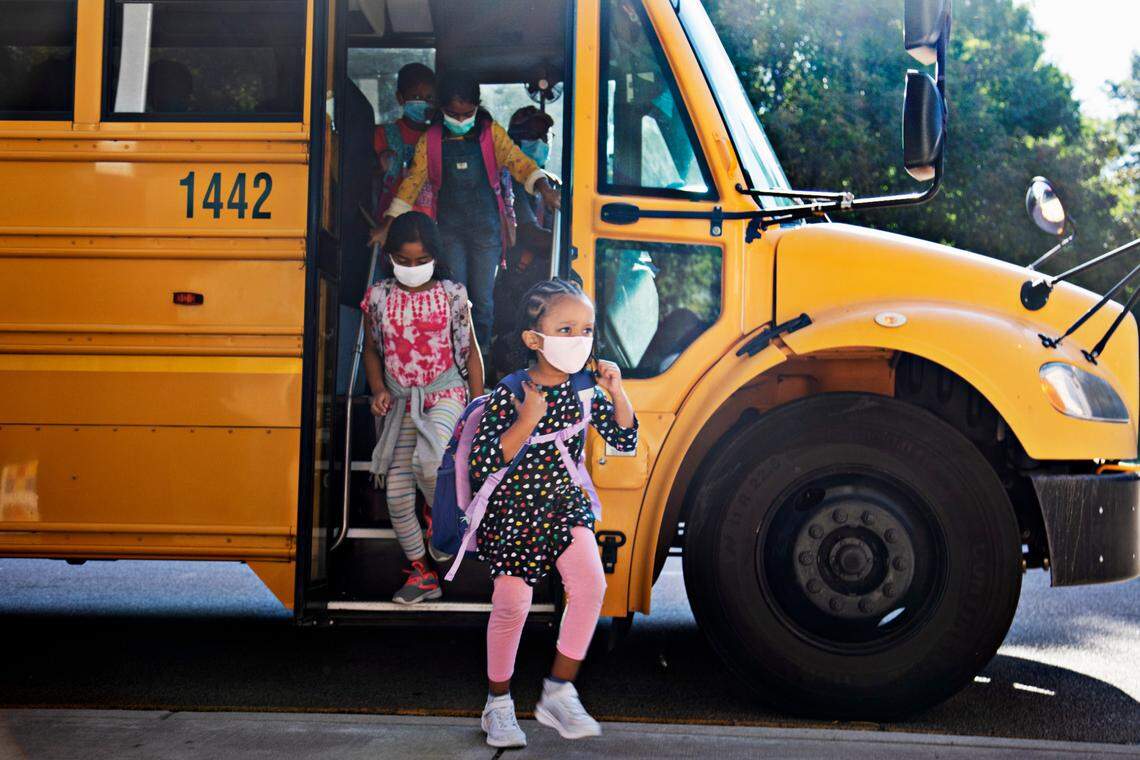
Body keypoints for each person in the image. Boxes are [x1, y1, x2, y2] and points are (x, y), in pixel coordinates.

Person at [469, 278, 638, 747]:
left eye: (585, 330)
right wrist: (526, 420)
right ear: (534, 339)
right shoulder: (509, 392)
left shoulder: (586, 390)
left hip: (565, 504)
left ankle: (559, 692)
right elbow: (484, 461)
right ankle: (497, 704)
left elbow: (624, 439)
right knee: (512, 605)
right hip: (515, 511)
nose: (579, 340)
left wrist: (617, 390)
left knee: (590, 586)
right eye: (566, 329)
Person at [372, 71, 562, 353]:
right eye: (452, 114)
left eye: (467, 113)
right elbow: (413, 181)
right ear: (441, 110)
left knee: (484, 299)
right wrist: (388, 223)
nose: (460, 121)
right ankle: (455, 359)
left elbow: (518, 162)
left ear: (477, 106)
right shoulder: (431, 140)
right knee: (455, 297)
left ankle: (481, 357)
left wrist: (545, 188)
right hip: (448, 231)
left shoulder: (491, 134)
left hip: (486, 230)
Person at [360, 211, 485, 604]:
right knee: (396, 493)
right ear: (391, 258)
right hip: (400, 399)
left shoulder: (452, 294)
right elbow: (372, 351)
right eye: (403, 261)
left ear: (435, 255)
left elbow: (470, 353)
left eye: (420, 261)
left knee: (429, 464)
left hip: (445, 392)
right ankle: (421, 572)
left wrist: (478, 410)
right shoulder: (378, 297)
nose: (412, 268)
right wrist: (378, 388)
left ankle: (444, 522)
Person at [374, 63, 436, 218]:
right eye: (415, 97)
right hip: (391, 222)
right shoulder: (384, 135)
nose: (423, 102)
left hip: (429, 225)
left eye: (428, 98)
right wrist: (380, 168)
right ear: (400, 98)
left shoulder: (438, 137)